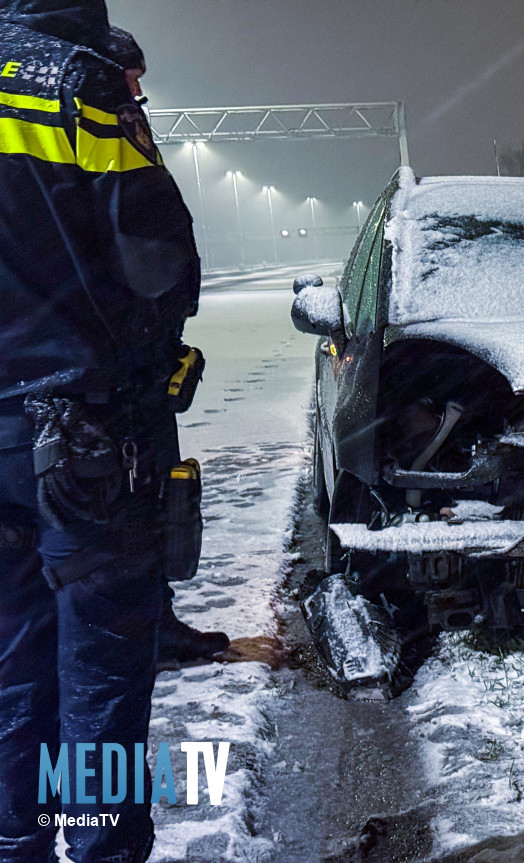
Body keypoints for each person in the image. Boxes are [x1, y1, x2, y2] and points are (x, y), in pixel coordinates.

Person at [0, 1, 196, 859]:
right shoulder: (75, 84)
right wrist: (148, 377)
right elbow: (159, 267)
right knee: (104, 672)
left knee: (12, 668)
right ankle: (104, 847)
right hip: (83, 436)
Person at [101, 24, 231, 665]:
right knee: (131, 501)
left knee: (155, 493)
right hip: (118, 358)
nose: (139, 84)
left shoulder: (123, 124)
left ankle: (155, 623)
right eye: (130, 71)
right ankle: (139, 633)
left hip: (146, 349)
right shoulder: (97, 129)